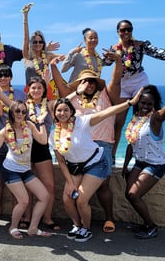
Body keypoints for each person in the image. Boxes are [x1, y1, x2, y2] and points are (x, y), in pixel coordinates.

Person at [51, 50, 123, 233]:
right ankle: (81, 222)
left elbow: (116, 81)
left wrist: (118, 62)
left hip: (102, 143)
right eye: (85, 81)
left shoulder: (106, 95)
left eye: (92, 81)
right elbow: (59, 99)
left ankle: (108, 218)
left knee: (104, 184)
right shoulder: (74, 101)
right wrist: (53, 66)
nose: (89, 84)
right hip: (79, 147)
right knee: (80, 190)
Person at [52, 93, 140, 243]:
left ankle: (86, 229)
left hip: (95, 163)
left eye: (66, 110)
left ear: (72, 111)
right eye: (59, 110)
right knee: (67, 199)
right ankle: (76, 225)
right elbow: (61, 161)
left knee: (81, 199)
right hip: (75, 167)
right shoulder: (54, 135)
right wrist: (71, 183)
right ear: (55, 113)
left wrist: (129, 103)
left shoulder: (82, 121)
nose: (62, 113)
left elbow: (107, 112)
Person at [102, 20, 165, 159]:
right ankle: (112, 156)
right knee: (118, 122)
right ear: (118, 32)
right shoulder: (114, 48)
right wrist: (102, 58)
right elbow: (104, 63)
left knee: (145, 116)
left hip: (139, 81)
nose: (126, 32)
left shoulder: (140, 45)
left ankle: (149, 152)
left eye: (129, 29)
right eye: (123, 30)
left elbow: (158, 52)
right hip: (122, 83)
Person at [122, 72, 165, 239]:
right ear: (137, 103)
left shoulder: (155, 119)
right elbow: (131, 144)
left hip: (155, 164)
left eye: (149, 104)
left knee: (133, 194)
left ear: (154, 105)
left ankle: (151, 226)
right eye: (143, 102)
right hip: (139, 162)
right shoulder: (135, 119)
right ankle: (145, 224)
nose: (145, 106)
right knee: (128, 194)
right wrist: (125, 165)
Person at [0, 77, 58, 231]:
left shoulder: (50, 104)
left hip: (41, 144)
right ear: (28, 90)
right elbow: (9, 103)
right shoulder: (23, 106)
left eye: (40, 87)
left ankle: (46, 218)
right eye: (33, 88)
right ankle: (24, 219)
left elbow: (61, 114)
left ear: (44, 89)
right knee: (24, 186)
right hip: (23, 146)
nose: (37, 90)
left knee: (49, 186)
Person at [0, 100, 52, 240]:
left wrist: (42, 123)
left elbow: (43, 140)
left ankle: (33, 228)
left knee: (44, 196)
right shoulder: (5, 131)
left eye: (24, 111)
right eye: (18, 111)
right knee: (24, 201)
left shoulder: (30, 125)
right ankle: (13, 227)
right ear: (12, 112)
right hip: (10, 170)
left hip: (25, 170)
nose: (21, 114)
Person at [0, 64, 26, 221]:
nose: (2, 78)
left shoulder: (19, 94)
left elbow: (21, 113)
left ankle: (17, 210)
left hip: (17, 141)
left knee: (16, 176)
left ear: (10, 77)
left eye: (5, 75)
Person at [21, 4, 62, 98]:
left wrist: (75, 51)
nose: (38, 44)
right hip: (30, 91)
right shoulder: (27, 56)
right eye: (35, 42)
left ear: (43, 43)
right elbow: (25, 37)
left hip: (45, 91)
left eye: (40, 42)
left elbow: (65, 57)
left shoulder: (48, 56)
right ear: (31, 43)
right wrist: (25, 16)